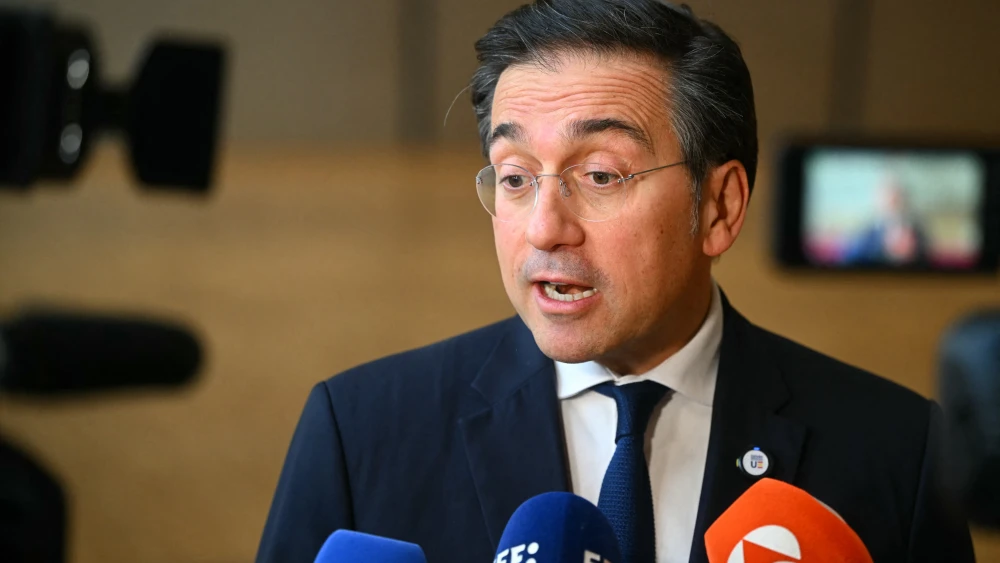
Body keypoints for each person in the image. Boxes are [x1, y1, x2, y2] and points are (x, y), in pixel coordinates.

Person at [256, 2, 974, 562]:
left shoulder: (898, 452)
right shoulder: (360, 431)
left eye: (600, 175)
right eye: (514, 177)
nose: (544, 228)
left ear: (719, 207)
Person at [842, 175, 931, 266]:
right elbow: (851, 260)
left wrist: (912, 252)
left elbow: (929, 259)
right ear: (878, 200)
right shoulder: (867, 232)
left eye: (896, 197)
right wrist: (883, 250)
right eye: (887, 197)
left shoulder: (917, 230)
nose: (892, 202)